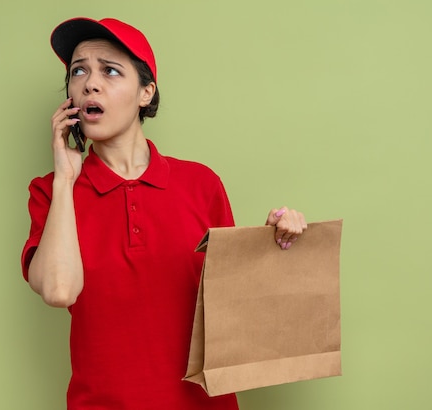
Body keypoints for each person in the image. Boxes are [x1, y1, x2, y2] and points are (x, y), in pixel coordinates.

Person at [21, 17, 307, 410]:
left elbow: (236, 306)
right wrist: (65, 179)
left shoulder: (201, 184)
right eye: (78, 70)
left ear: (146, 93)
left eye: (111, 70)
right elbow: (58, 290)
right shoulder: (50, 193)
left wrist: (276, 245)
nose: (90, 82)